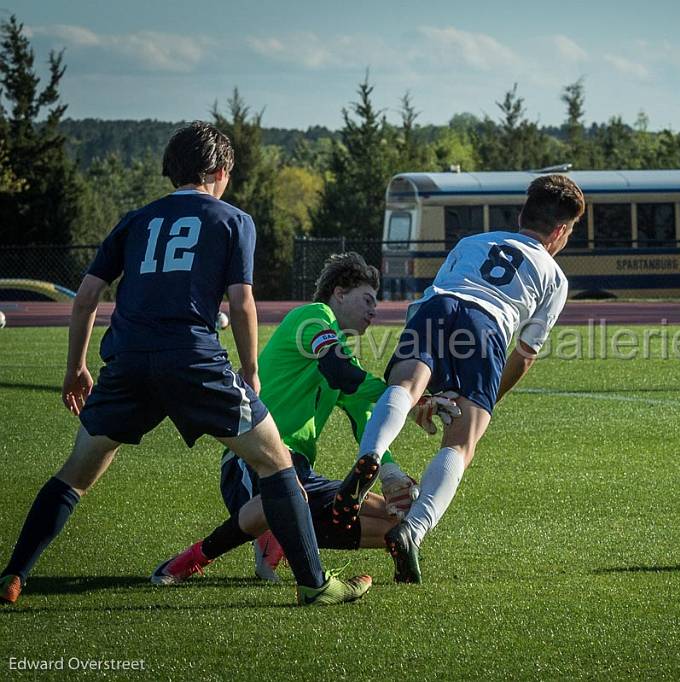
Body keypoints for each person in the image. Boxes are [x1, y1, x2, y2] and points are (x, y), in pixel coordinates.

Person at [0, 122, 367, 606]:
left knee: (76, 472)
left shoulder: (135, 219)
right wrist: (251, 369)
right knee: (276, 463)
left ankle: (13, 575)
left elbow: (88, 296)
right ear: (219, 171)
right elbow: (241, 302)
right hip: (192, 358)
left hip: (127, 358)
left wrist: (76, 368)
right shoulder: (233, 220)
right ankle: (315, 585)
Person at [332, 174, 585, 583]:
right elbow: (524, 356)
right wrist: (480, 405)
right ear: (559, 231)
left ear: (522, 214)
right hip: (488, 324)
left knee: (404, 387)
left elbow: (435, 301)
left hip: (437, 307)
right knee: (462, 444)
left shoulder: (472, 242)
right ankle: (412, 530)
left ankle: (372, 454)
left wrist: (430, 392)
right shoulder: (554, 276)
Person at [149, 253, 458, 583]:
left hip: (300, 474)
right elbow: (340, 373)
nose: (374, 311)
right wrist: (414, 398)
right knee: (285, 489)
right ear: (339, 293)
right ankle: (194, 558)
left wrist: (391, 473)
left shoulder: (341, 353)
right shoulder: (312, 316)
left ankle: (283, 532)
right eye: (367, 299)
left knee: (397, 523)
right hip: (252, 461)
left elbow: (368, 419)